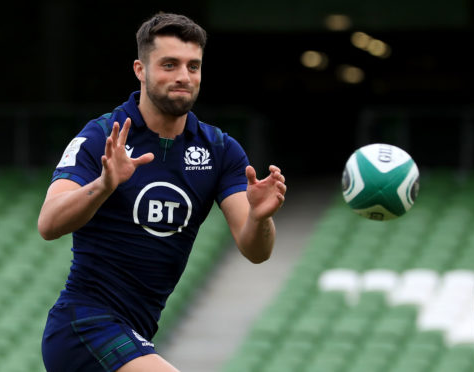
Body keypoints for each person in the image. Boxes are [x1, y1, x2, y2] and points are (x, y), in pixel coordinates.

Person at [38, 12, 287, 372]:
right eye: (169, 64)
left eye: (193, 66)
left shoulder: (220, 150)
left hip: (136, 332)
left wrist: (262, 218)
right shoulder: (102, 136)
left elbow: (257, 251)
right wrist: (104, 185)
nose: (183, 77)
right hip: (83, 325)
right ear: (140, 69)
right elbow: (48, 223)